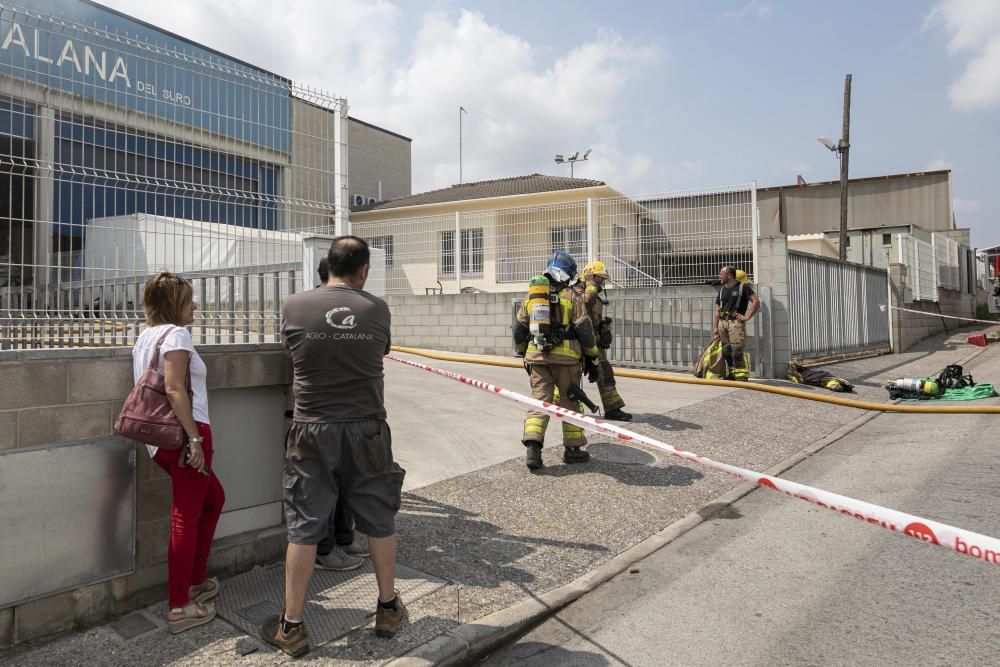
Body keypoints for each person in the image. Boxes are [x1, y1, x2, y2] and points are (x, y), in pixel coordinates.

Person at [263, 236, 406, 657]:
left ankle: (291, 625)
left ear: (327, 265)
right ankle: (387, 608)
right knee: (379, 518)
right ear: (363, 270)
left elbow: (293, 352)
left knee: (305, 524)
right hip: (367, 429)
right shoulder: (376, 308)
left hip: (312, 428)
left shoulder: (293, 305)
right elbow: (381, 351)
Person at [131, 272, 225, 634]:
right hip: (187, 436)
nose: (195, 306)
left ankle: (195, 580)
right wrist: (195, 441)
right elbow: (174, 389)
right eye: (189, 301)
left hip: (160, 440)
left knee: (213, 499)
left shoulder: (145, 337)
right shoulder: (177, 335)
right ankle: (179, 606)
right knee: (185, 516)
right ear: (175, 305)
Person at [513, 251, 600, 470]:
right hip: (567, 360)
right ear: (569, 273)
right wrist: (593, 359)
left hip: (537, 358)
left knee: (539, 401)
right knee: (570, 402)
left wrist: (525, 351)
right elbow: (585, 330)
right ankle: (573, 451)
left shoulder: (533, 296)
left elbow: (518, 328)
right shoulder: (572, 296)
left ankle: (533, 447)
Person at [313, 256, 369, 571]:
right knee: (324, 487)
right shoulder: (310, 309)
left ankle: (344, 538)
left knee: (348, 481)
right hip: (323, 414)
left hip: (351, 411)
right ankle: (325, 549)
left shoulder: (358, 309)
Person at [574, 260, 631, 421]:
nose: (601, 283)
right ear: (588, 275)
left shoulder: (595, 296)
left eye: (602, 280)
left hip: (595, 344)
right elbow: (583, 304)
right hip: (577, 344)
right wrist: (591, 286)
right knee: (571, 377)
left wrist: (603, 328)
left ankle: (613, 408)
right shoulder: (575, 291)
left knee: (605, 374)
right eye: (598, 278)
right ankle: (564, 409)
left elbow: (592, 320)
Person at [712, 266, 760, 381]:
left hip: (735, 324)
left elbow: (756, 302)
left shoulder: (743, 288)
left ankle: (741, 377)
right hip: (723, 323)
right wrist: (715, 327)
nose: (720, 276)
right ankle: (732, 374)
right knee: (726, 350)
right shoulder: (722, 290)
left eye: (721, 274)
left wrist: (747, 317)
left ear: (729, 275)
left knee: (737, 351)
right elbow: (717, 310)